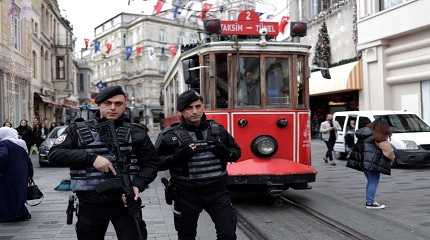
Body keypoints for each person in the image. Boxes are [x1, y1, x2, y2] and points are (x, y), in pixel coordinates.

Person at [48, 86, 158, 240]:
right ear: (99, 104)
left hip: (125, 202)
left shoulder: (136, 132)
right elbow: (54, 155)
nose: (113, 108)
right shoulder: (77, 130)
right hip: (90, 203)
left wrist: (137, 184)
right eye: (108, 103)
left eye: (118, 104)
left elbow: (151, 163)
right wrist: (91, 158)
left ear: (125, 105)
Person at [155, 90, 241, 240]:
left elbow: (237, 154)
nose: (195, 112)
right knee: (186, 236)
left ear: (202, 107)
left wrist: (223, 152)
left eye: (198, 106)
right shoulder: (170, 136)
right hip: (186, 194)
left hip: (218, 193)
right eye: (189, 108)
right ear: (181, 111)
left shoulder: (218, 131)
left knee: (228, 234)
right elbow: (156, 164)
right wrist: (178, 156)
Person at [355, 119, 395, 209]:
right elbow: (388, 152)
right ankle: (370, 203)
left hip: (364, 161)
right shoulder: (379, 136)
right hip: (373, 162)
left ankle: (370, 200)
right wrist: (392, 158)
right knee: (373, 182)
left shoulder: (365, 134)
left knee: (370, 182)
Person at [0, 127, 33, 222]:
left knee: (7, 196)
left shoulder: (4, 144)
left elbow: (2, 157)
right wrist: (30, 175)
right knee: (18, 195)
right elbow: (28, 161)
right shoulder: (19, 144)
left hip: (8, 175)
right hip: (21, 176)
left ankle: (9, 216)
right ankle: (21, 214)